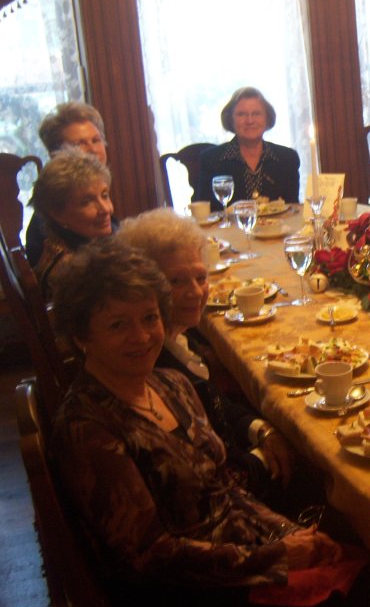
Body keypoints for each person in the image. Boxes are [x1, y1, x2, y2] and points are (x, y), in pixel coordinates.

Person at [47, 240, 370, 607]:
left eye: (150, 318)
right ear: (80, 336)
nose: (142, 336)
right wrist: (276, 557)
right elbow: (152, 557)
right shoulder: (88, 427)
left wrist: (288, 534)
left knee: (366, 543)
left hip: (243, 554)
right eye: (117, 325)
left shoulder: (170, 384)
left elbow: (228, 490)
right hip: (193, 606)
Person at [116, 208, 293, 501]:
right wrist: (265, 456)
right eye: (176, 282)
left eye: (200, 276)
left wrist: (261, 429)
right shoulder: (151, 363)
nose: (195, 292)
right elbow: (211, 483)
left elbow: (214, 400)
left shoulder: (179, 338)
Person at [28, 101, 112, 266]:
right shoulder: (47, 219)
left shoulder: (98, 196)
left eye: (96, 140)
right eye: (79, 144)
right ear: (55, 153)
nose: (93, 150)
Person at [28, 149, 114, 297]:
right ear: (57, 213)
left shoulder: (73, 245)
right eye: (86, 202)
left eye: (104, 195)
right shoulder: (73, 270)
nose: (106, 209)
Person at [197, 87, 300, 209]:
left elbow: (293, 210)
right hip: (229, 228)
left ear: (267, 118)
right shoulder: (211, 160)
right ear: (231, 120)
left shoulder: (287, 158)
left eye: (256, 114)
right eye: (241, 114)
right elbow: (205, 214)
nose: (250, 121)